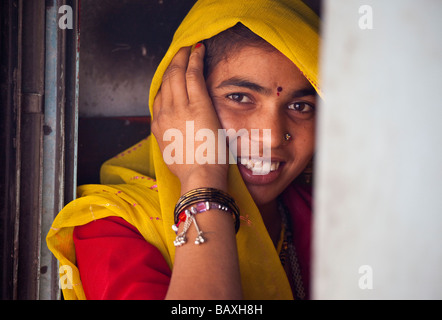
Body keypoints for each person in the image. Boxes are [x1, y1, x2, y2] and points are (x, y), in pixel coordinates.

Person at [47, 0, 321, 300]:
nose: (270, 137)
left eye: (301, 106)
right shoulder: (114, 228)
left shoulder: (328, 217)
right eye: (240, 97)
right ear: (175, 101)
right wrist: (202, 179)